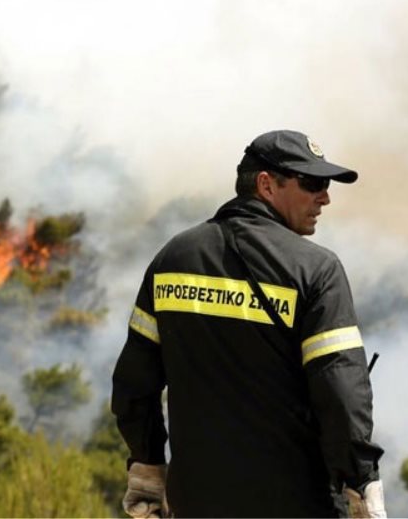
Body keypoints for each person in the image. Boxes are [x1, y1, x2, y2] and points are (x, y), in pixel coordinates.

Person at [111, 130, 385, 518]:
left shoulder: (172, 257)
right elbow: (340, 393)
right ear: (266, 185)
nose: (325, 197)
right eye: (312, 183)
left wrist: (146, 465)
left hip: (196, 504)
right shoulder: (318, 271)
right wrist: (361, 482)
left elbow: (133, 387)